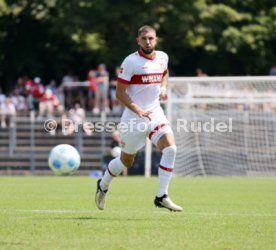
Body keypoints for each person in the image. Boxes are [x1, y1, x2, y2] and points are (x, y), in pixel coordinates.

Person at [95, 25, 182, 212]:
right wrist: (137, 109)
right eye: (144, 39)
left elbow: (165, 73)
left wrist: (164, 88)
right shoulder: (130, 62)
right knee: (126, 162)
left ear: (156, 40)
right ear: (138, 41)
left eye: (151, 38)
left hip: (155, 113)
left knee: (171, 149)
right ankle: (103, 184)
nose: (148, 41)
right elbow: (120, 92)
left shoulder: (162, 57)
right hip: (133, 118)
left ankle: (161, 196)